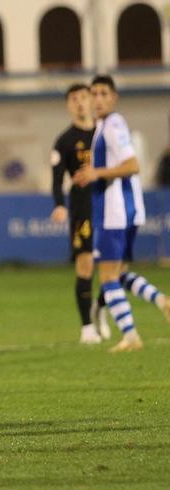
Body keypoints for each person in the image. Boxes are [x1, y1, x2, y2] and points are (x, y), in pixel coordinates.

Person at [73, 75, 170, 353]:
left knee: (107, 277)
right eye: (95, 93)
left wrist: (96, 173)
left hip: (114, 212)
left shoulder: (113, 125)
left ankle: (130, 336)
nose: (99, 99)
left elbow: (132, 165)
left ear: (114, 98)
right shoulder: (104, 127)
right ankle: (161, 300)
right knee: (119, 272)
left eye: (104, 93)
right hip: (125, 210)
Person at [48, 83, 103, 344]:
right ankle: (87, 327)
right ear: (68, 105)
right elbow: (57, 179)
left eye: (84, 97)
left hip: (109, 204)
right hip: (82, 206)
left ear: (91, 101)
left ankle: (100, 307)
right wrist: (59, 205)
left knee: (114, 264)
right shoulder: (64, 140)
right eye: (74, 99)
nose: (80, 103)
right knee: (85, 264)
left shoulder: (105, 133)